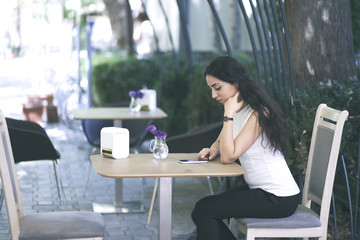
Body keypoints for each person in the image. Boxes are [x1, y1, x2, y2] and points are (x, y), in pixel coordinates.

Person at [191, 56, 300, 240]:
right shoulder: (240, 108)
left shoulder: (258, 112)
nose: (213, 95)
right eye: (211, 89)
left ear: (235, 82)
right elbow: (220, 142)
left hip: (277, 197)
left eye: (217, 88)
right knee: (202, 210)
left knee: (205, 210)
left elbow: (228, 157)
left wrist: (228, 114)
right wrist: (213, 149)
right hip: (260, 190)